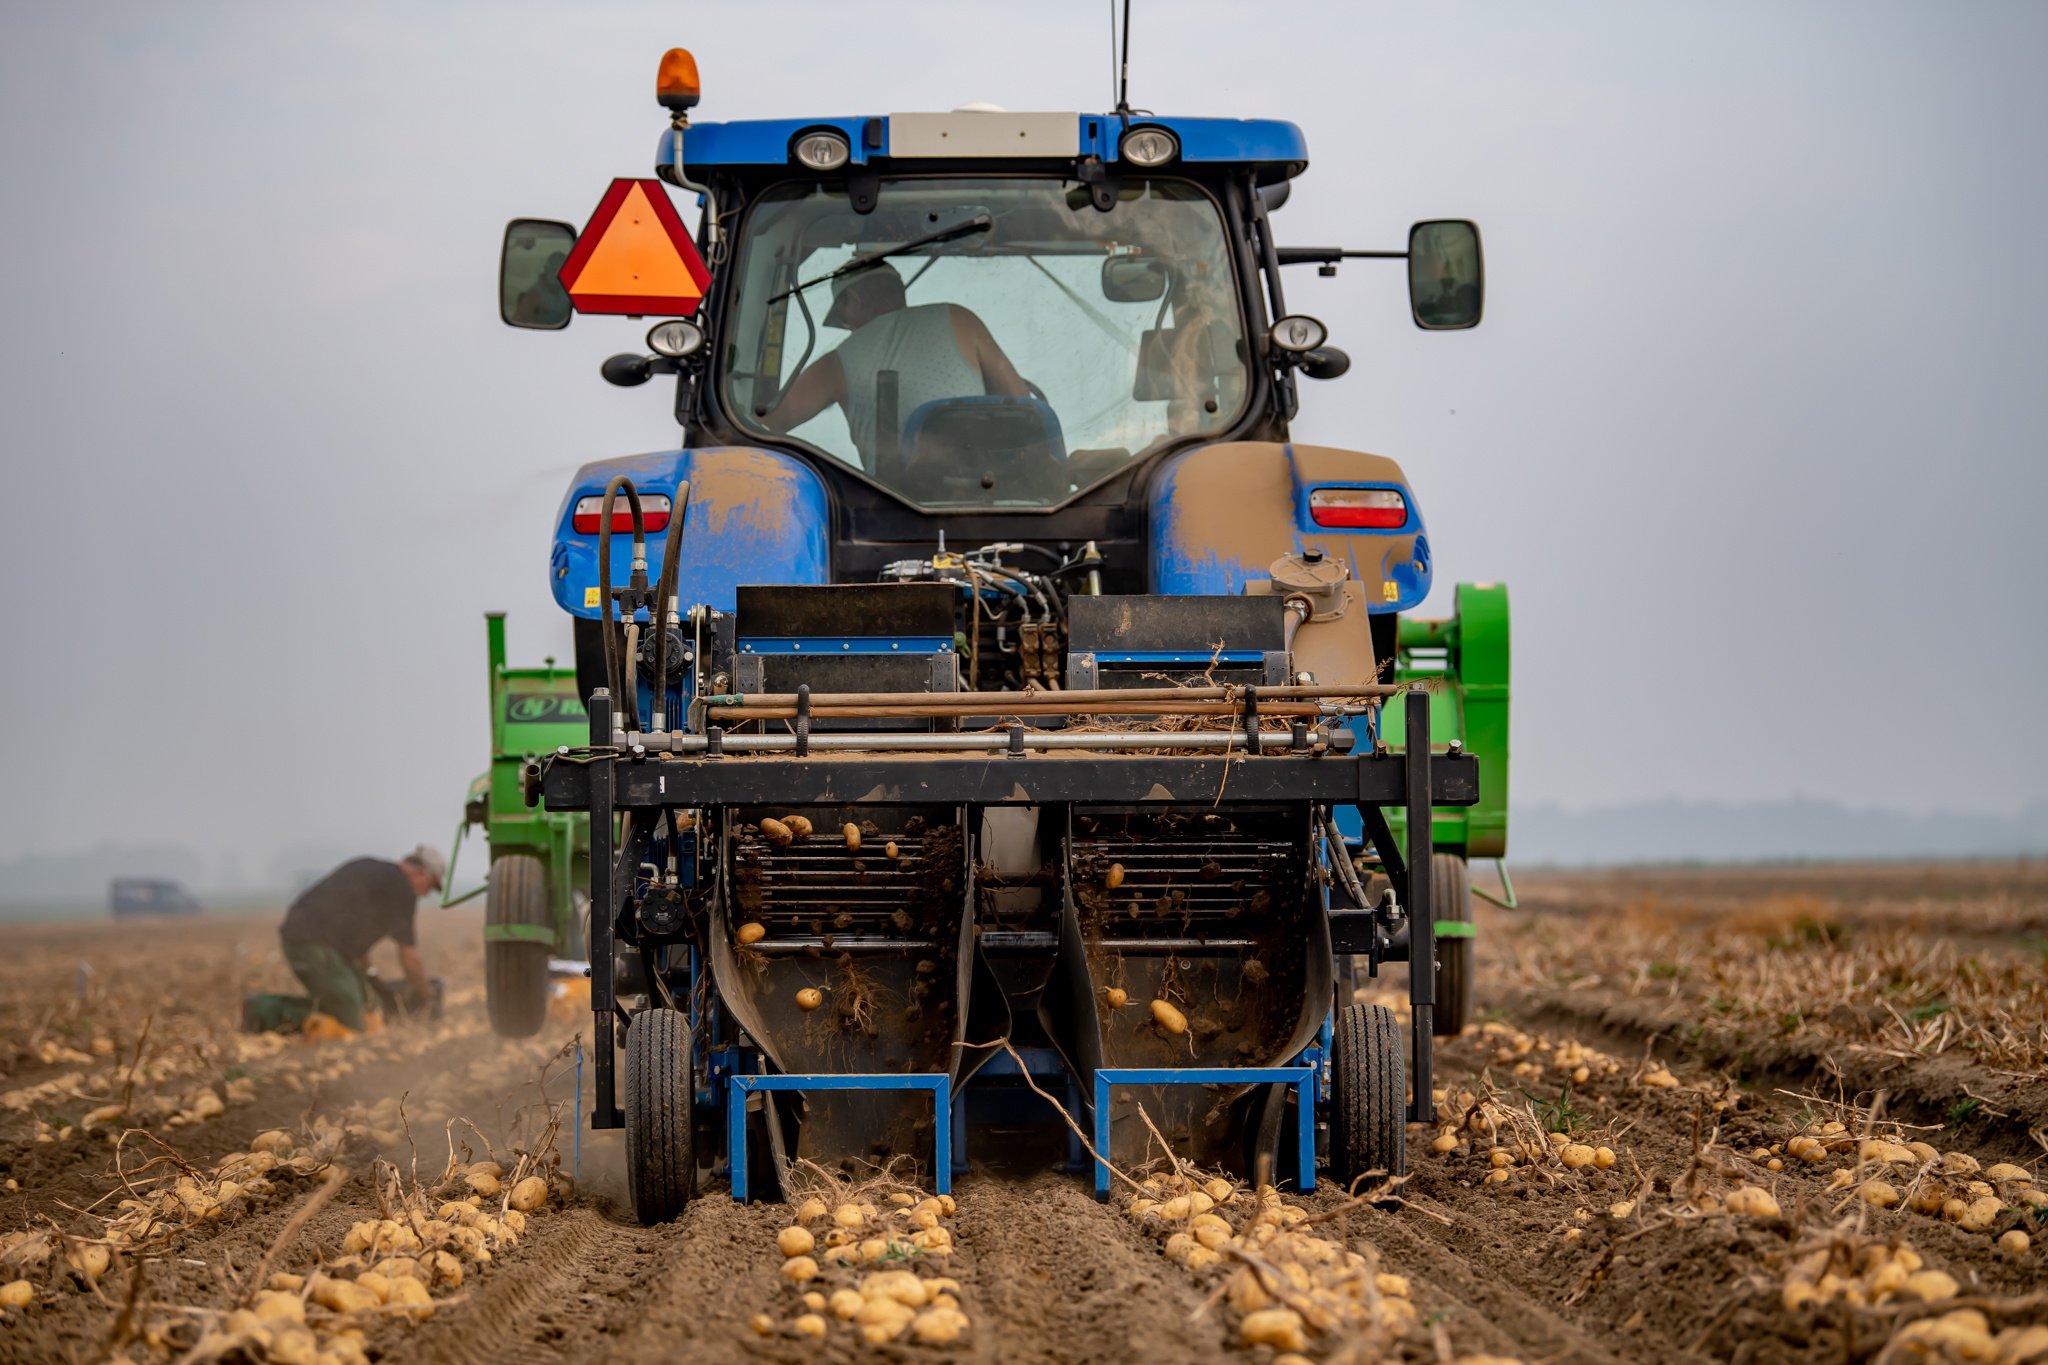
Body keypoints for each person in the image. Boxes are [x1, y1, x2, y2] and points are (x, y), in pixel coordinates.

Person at [764, 260, 1030, 469]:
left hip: (896, 510)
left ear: (854, 302)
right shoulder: (960, 318)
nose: (847, 327)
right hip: (989, 494)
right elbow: (1024, 407)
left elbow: (769, 422)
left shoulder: (836, 363)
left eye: (843, 319)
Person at [264, 846, 445, 1033]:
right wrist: (427, 995)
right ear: (421, 873)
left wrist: (372, 977)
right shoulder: (401, 888)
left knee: (369, 1003)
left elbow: (357, 940)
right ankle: (263, 1012)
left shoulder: (375, 872)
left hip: (311, 940)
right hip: (311, 944)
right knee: (351, 1018)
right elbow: (409, 958)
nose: (426, 894)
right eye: (430, 886)